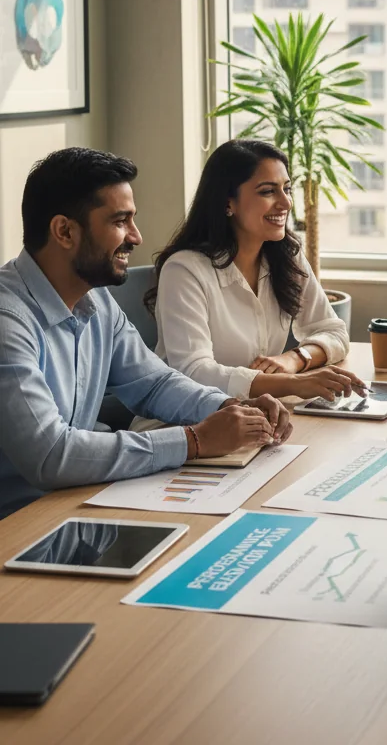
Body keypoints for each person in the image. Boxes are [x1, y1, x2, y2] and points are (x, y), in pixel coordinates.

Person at [0, 148, 291, 521]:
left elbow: (154, 385)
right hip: (17, 520)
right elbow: (50, 456)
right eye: (120, 221)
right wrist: (194, 441)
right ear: (65, 231)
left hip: (75, 502)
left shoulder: (96, 301)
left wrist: (229, 407)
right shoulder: (8, 321)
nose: (136, 237)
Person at [147, 139, 363, 401]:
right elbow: (194, 372)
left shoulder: (287, 257)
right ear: (228, 203)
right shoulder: (184, 271)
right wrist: (292, 384)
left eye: (287, 189)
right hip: (189, 417)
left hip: (262, 413)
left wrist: (295, 359)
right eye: (268, 191)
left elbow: (334, 332)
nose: (286, 203)